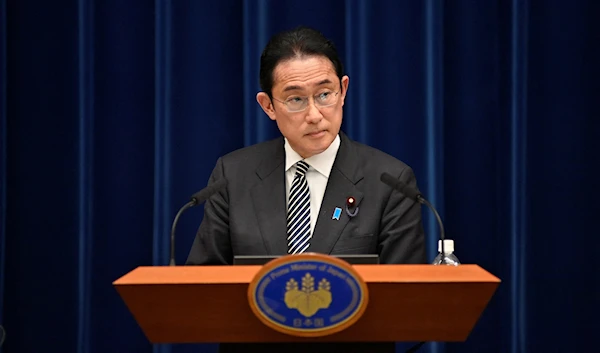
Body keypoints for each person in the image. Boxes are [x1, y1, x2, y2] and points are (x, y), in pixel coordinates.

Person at [186, 26, 426, 353]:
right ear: (268, 105)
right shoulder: (233, 174)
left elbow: (405, 299)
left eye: (324, 94)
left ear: (343, 90)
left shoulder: (390, 180)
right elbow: (202, 285)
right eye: (296, 99)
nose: (314, 115)